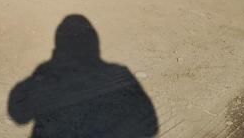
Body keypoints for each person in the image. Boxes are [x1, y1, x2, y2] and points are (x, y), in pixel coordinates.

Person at [8, 15, 159, 137]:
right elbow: (150, 126)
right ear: (95, 44)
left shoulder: (47, 74)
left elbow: (18, 113)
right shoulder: (119, 73)